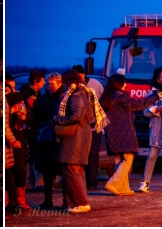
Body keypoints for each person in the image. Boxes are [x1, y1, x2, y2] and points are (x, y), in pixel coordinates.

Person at [99, 74, 162, 196]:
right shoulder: (121, 97)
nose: (126, 85)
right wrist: (155, 97)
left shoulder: (107, 97)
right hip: (123, 132)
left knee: (119, 159)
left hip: (111, 132)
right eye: (124, 82)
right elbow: (138, 105)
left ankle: (124, 188)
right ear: (119, 83)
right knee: (128, 158)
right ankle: (113, 182)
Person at [51, 69, 97, 214]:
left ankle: (81, 203)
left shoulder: (77, 95)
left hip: (76, 137)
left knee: (73, 170)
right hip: (77, 136)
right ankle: (70, 203)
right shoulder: (82, 93)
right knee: (72, 171)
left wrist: (58, 120)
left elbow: (77, 116)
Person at [32, 73, 64, 209]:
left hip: (59, 138)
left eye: (52, 84)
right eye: (48, 83)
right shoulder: (43, 98)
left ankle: (66, 200)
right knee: (46, 171)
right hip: (46, 137)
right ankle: (48, 200)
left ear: (59, 83)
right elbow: (37, 116)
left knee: (62, 170)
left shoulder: (63, 98)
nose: (49, 86)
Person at [73, 64, 105, 189]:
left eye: (80, 74)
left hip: (94, 125)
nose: (79, 77)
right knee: (81, 153)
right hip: (79, 126)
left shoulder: (96, 84)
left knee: (93, 153)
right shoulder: (73, 87)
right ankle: (82, 181)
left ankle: (92, 181)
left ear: (84, 74)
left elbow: (103, 101)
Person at [20, 70, 46, 192]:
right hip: (30, 129)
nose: (44, 83)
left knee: (35, 155)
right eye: (42, 80)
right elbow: (32, 113)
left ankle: (32, 182)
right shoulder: (28, 94)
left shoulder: (37, 93)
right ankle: (29, 182)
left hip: (34, 128)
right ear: (36, 81)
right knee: (32, 155)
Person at [6, 84, 31, 209]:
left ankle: (20, 198)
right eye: (8, 87)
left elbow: (28, 115)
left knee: (21, 168)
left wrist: (24, 116)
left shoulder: (19, 97)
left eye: (13, 87)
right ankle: (7, 198)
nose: (12, 90)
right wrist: (12, 110)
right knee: (7, 170)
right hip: (7, 139)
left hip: (18, 136)